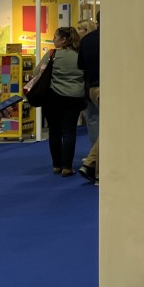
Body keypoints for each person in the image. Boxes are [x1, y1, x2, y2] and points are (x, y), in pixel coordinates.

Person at [44, 26, 87, 177]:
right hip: (74, 97)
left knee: (54, 131)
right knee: (69, 131)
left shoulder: (53, 54)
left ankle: (56, 165)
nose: (54, 40)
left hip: (54, 97)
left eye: (55, 37)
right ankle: (67, 166)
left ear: (63, 40)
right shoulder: (80, 54)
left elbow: (38, 72)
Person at [77, 15, 99, 183]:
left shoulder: (86, 41)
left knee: (96, 124)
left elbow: (81, 67)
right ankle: (93, 165)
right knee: (111, 127)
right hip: (107, 87)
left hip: (91, 87)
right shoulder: (112, 39)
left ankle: (92, 163)